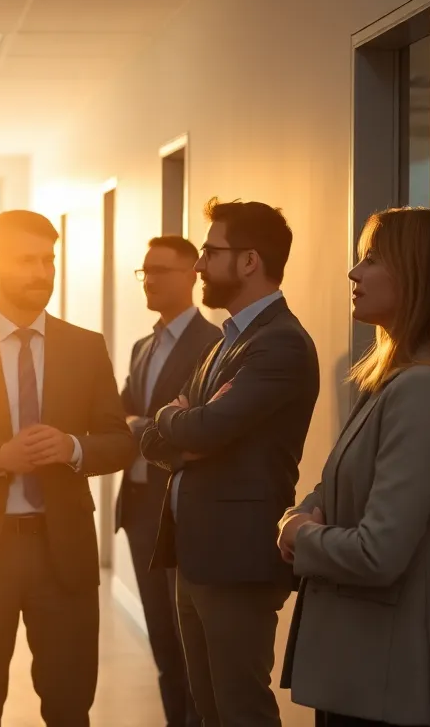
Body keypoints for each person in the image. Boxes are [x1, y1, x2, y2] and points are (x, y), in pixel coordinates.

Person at [0, 209, 136, 726]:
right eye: (26, 260)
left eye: (48, 260)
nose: (41, 272)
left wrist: (73, 447)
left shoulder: (85, 346)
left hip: (63, 555)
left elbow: (119, 443)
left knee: (69, 705)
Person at [278, 208, 430, 727]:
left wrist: (298, 534)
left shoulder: (427, 391)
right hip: (366, 674)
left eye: (371, 260)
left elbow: (379, 553)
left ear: (422, 273)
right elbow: (333, 489)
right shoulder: (397, 382)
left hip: (390, 685)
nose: (354, 274)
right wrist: (307, 515)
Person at [142, 198, 320, 727]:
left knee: (241, 710)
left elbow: (202, 428)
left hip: (237, 558)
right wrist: (182, 426)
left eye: (210, 252)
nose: (198, 265)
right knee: (209, 710)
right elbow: (159, 438)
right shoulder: (226, 342)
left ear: (249, 261)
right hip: (196, 552)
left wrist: (183, 423)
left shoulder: (280, 344)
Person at [117, 236, 222, 727]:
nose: (150, 280)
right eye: (145, 271)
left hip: (182, 512)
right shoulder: (143, 346)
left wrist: (144, 425)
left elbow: (198, 426)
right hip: (139, 507)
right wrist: (141, 424)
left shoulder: (214, 344)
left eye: (160, 270)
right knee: (162, 638)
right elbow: (121, 412)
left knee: (190, 646)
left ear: (191, 276)